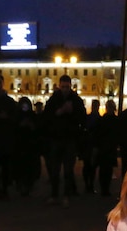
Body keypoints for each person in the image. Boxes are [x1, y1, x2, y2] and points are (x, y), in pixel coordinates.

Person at [43, 74, 86, 207]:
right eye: (63, 87)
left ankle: (66, 195)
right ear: (59, 86)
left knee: (68, 170)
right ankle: (54, 194)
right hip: (56, 138)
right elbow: (47, 117)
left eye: (67, 87)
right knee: (55, 169)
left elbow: (82, 118)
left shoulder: (76, 100)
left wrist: (72, 112)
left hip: (69, 139)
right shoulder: (53, 99)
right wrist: (60, 111)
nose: (65, 89)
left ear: (70, 86)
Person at [11, 97, 41, 197]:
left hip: (30, 146)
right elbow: (13, 129)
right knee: (20, 167)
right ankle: (20, 185)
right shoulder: (16, 116)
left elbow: (37, 130)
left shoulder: (32, 116)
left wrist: (31, 126)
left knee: (29, 168)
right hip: (19, 146)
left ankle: (28, 186)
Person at [93, 99, 120, 197]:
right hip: (106, 147)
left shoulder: (103, 120)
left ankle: (105, 189)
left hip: (106, 147)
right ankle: (105, 189)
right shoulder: (112, 120)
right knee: (106, 169)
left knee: (106, 169)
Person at [81, 99, 102, 194]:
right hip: (90, 144)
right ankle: (88, 185)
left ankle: (89, 185)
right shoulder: (97, 118)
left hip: (92, 144)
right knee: (89, 166)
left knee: (91, 166)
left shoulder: (92, 118)